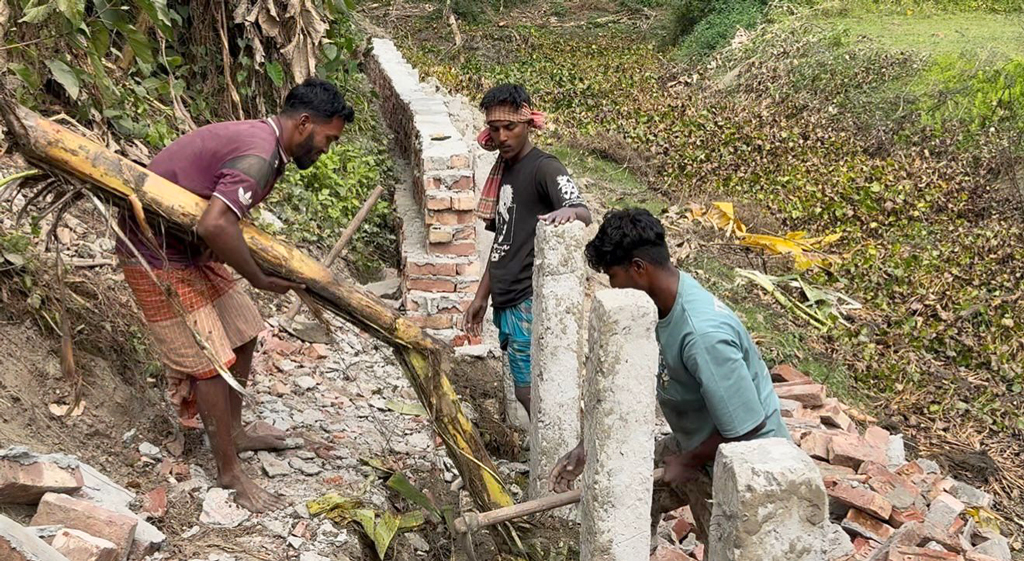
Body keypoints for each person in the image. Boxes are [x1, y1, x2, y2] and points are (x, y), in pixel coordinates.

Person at [116, 77, 354, 512]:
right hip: (154, 253)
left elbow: (211, 213)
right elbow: (215, 224)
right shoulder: (261, 153)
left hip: (185, 248)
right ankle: (228, 472)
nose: (326, 149)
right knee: (210, 362)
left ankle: (236, 433)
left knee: (244, 328)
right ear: (304, 123)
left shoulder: (267, 146)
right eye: (327, 138)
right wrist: (259, 278)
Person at [549, 208, 791, 543]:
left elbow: (748, 427)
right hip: (701, 442)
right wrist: (588, 446)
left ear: (638, 268)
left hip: (745, 462)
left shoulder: (703, 337)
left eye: (613, 276)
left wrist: (687, 462)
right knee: (621, 486)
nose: (613, 287)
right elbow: (632, 389)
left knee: (725, 544)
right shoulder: (658, 307)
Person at [462, 84, 592, 420]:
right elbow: (502, 239)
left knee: (528, 389)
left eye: (510, 128)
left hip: (526, 298)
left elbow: (581, 209)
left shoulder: (545, 168)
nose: (503, 137)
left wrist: (570, 212)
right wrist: (481, 297)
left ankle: (564, 454)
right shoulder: (504, 170)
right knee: (527, 387)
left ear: (529, 124)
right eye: (495, 129)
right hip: (505, 298)